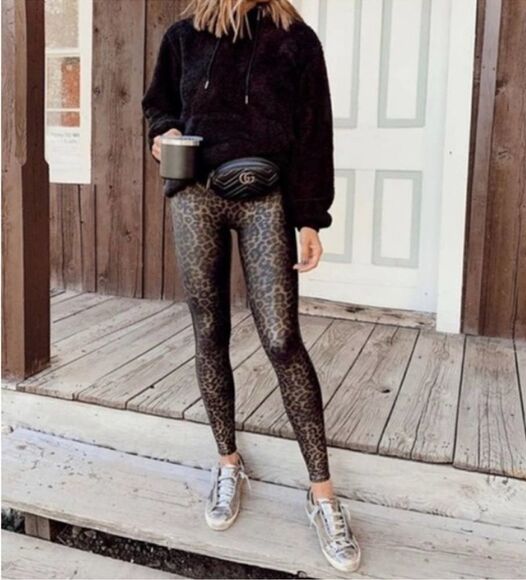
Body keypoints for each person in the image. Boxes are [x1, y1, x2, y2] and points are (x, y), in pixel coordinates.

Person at [141, 0, 361, 572]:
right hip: (194, 196)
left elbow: (314, 134)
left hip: (265, 199)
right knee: (209, 331)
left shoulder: (295, 39)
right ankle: (228, 463)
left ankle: (322, 494)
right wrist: (162, 133)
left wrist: (310, 218)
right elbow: (158, 106)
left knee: (282, 339)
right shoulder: (184, 34)